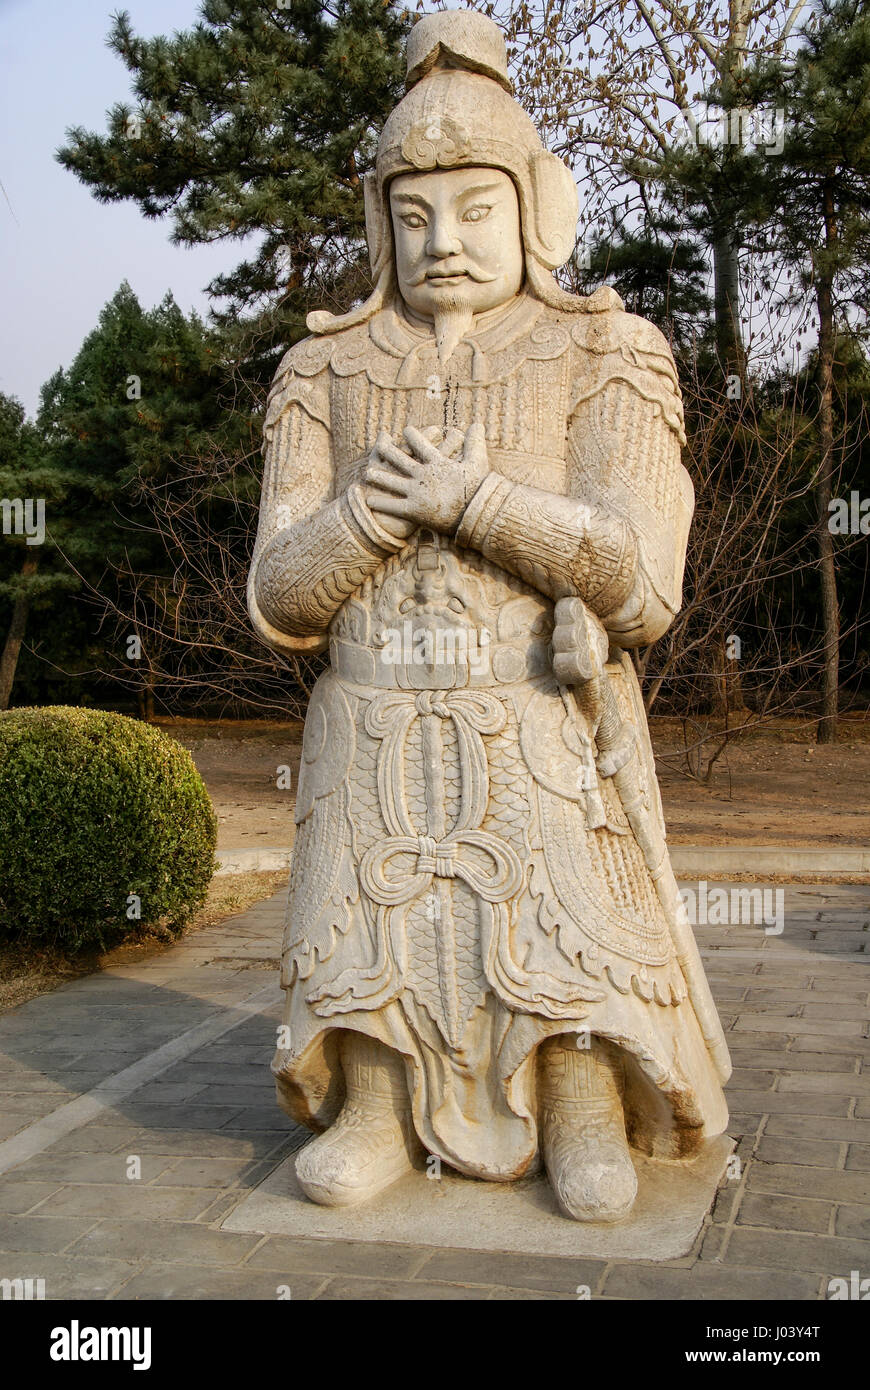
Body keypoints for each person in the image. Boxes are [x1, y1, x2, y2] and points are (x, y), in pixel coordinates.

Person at [248, 10, 730, 1222]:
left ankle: (575, 1100)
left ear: (534, 210)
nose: (443, 242)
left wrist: (479, 502)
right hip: (372, 712)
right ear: (378, 225)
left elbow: (641, 576)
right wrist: (368, 517)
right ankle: (373, 1098)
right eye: (412, 216)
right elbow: (275, 595)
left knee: (549, 902)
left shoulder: (605, 351)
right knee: (373, 902)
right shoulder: (322, 372)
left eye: (474, 209)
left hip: (534, 701)